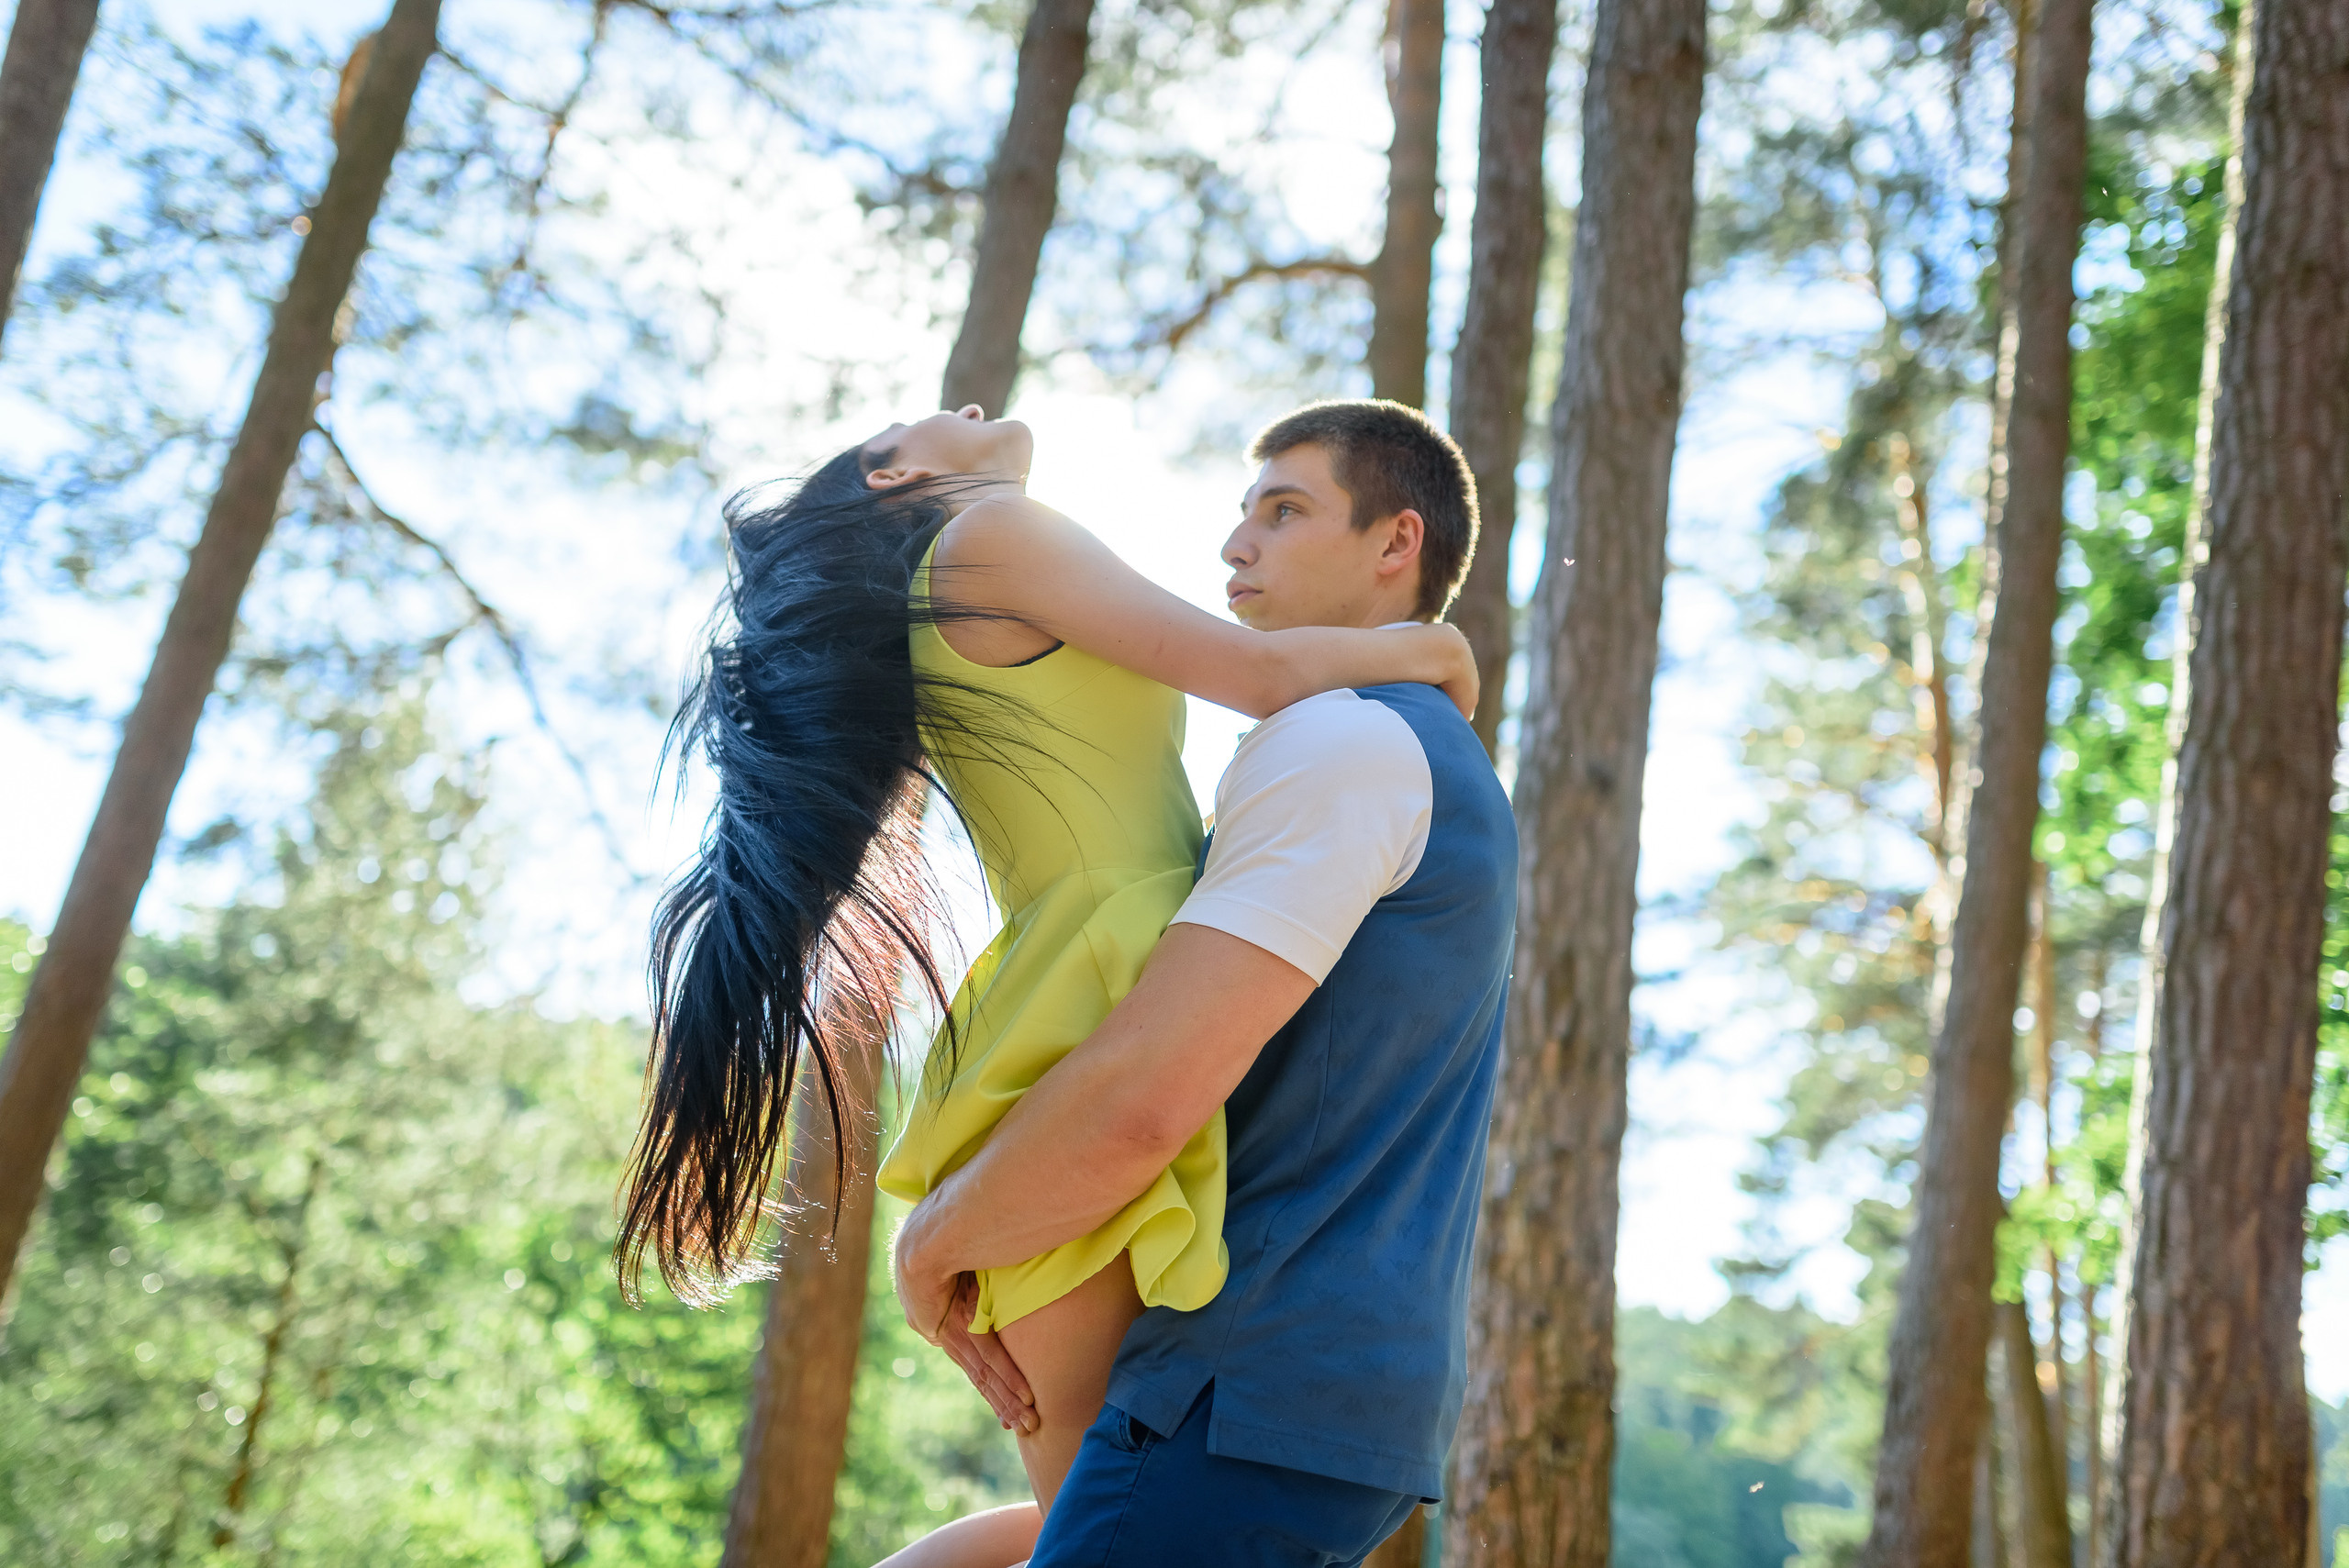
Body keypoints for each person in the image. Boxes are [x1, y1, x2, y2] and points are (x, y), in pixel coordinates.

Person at [614, 403, 1479, 1566]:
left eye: (1276, 511)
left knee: (1103, 1510)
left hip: (1071, 982)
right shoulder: (986, 539)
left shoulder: (963, 571)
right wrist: (1439, 651)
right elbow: (1257, 671)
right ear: (897, 474)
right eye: (918, 419)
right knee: (1106, 1509)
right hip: (1096, 987)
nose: (962, 407)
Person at [893, 399, 1519, 1567]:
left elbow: (1143, 1098)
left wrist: (935, 1238)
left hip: (1251, 1388)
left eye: (1283, 511)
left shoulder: (1344, 744)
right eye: (1241, 514)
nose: (1237, 544)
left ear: (1397, 543)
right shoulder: (1409, 752)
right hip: (1292, 1402)